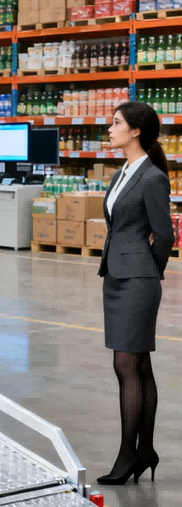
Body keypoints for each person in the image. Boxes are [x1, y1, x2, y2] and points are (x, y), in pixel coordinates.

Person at [96, 101, 174, 486]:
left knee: (126, 365)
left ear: (136, 130)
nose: (110, 129)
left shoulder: (152, 177)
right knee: (138, 366)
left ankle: (129, 454)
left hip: (138, 281)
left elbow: (166, 235)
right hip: (116, 277)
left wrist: (149, 271)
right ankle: (145, 451)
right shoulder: (121, 173)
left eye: (116, 123)